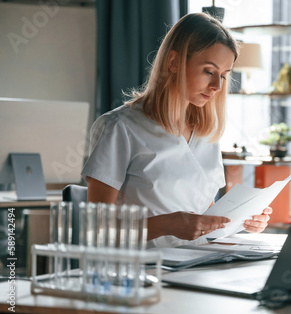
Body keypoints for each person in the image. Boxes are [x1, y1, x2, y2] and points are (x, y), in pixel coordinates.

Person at [81, 13, 272, 248]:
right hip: (143, 271)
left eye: (223, 75)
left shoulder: (206, 135)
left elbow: (205, 218)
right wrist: (167, 225)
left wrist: (244, 220)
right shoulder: (120, 128)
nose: (217, 86)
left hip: (197, 265)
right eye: (208, 71)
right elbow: (96, 230)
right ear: (173, 62)